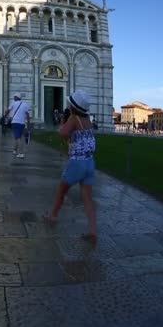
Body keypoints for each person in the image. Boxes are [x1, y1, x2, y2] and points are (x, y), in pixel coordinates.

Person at [44, 90, 98, 246]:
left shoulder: (74, 119)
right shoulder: (87, 119)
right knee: (87, 198)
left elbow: (63, 133)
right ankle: (93, 230)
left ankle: (53, 215)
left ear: (73, 107)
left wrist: (62, 121)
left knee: (61, 192)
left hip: (77, 163)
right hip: (89, 162)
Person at [4, 92, 31, 158]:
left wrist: (5, 116)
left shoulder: (13, 103)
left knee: (18, 138)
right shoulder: (25, 104)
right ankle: (15, 150)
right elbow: (28, 115)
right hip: (22, 123)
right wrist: (28, 123)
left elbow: (7, 111)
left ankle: (21, 153)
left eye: (14, 97)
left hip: (15, 122)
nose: (13, 98)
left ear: (16, 97)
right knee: (17, 137)